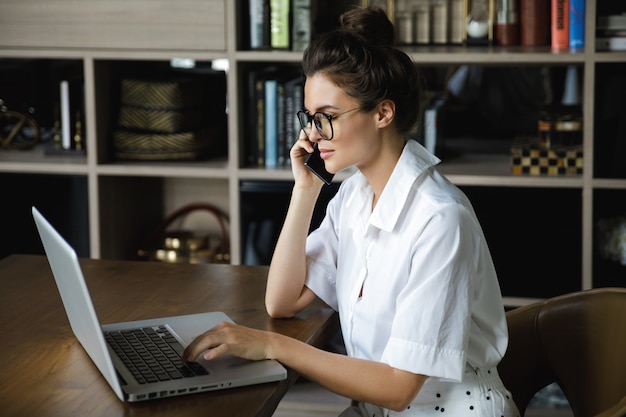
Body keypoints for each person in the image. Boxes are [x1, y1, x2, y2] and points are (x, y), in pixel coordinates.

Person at [183, 6, 520, 417]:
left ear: (383, 113)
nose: (312, 134)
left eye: (327, 118)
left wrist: (272, 345)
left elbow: (399, 388)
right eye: (309, 117)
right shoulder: (354, 196)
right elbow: (281, 301)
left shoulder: (440, 219)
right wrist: (304, 190)